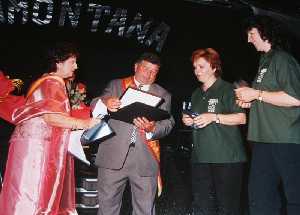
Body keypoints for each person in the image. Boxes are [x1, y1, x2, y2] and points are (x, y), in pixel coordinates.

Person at [0, 42, 100, 214]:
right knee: (35, 197)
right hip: (37, 149)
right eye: (72, 62)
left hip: (29, 146)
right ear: (59, 62)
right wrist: (85, 123)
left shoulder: (43, 81)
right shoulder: (53, 82)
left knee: (24, 195)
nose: (76, 66)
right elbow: (51, 117)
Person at [91, 52, 175, 215]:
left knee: (145, 210)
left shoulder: (164, 94)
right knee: (107, 208)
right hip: (112, 157)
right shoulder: (116, 85)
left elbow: (168, 123)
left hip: (145, 160)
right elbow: (95, 103)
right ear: (136, 67)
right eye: (145, 69)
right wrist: (106, 103)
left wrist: (152, 129)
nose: (149, 74)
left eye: (154, 72)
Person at [235, 16, 300, 215]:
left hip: (285, 140)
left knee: (295, 196)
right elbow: (268, 98)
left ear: (265, 33)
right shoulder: (265, 61)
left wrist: (256, 94)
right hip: (262, 140)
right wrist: (250, 101)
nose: (248, 39)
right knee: (259, 196)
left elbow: (295, 98)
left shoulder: (283, 59)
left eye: (251, 34)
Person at [182, 48, 247, 215]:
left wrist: (214, 117)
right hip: (200, 158)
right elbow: (198, 118)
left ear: (214, 67)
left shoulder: (227, 89)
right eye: (195, 67)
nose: (196, 71)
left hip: (227, 158)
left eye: (201, 67)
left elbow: (241, 118)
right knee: (202, 206)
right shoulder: (196, 93)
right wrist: (189, 120)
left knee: (228, 207)